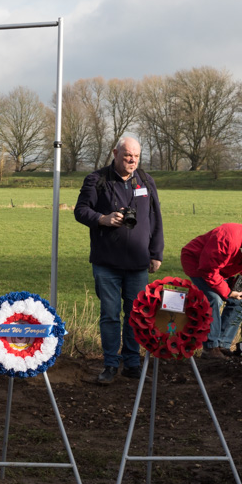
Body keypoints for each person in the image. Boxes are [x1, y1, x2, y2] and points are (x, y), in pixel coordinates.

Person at [75, 136, 164, 384]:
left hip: (138, 264)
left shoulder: (146, 180)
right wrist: (103, 219)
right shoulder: (97, 179)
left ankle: (132, 364)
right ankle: (110, 365)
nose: (132, 160)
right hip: (107, 263)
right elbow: (80, 211)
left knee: (137, 314)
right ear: (115, 153)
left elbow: (155, 218)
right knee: (110, 315)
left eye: (136, 156)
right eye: (127, 155)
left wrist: (156, 253)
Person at [181, 224, 242, 358]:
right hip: (197, 262)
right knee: (213, 298)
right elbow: (208, 269)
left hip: (221, 268)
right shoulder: (227, 239)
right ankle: (210, 348)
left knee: (241, 300)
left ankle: (223, 344)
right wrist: (227, 292)